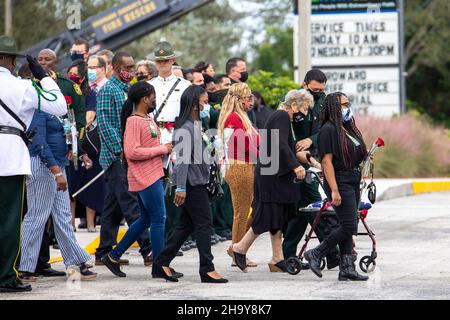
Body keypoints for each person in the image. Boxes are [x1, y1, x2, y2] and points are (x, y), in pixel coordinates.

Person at [0, 35, 67, 293]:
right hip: (10, 157)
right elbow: (60, 107)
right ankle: (5, 276)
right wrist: (44, 76)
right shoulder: (23, 86)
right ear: (13, 60)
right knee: (9, 221)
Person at [153, 86, 228, 284]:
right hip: (192, 184)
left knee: (185, 226)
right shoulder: (186, 127)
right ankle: (207, 269)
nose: (207, 106)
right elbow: (182, 160)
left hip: (198, 181)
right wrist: (180, 187)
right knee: (204, 225)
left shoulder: (196, 125)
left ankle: (161, 263)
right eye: (204, 102)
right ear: (194, 103)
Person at [228, 90, 307, 273]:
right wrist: (296, 167)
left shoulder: (281, 117)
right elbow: (280, 144)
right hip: (272, 176)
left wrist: (310, 160)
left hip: (275, 175)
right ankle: (239, 248)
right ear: (294, 104)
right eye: (303, 108)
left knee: (277, 216)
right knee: (267, 215)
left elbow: (288, 146)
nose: (304, 113)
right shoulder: (281, 116)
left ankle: (277, 258)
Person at [102, 82, 172, 277]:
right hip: (145, 175)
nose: (155, 99)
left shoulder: (147, 118)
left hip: (152, 172)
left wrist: (163, 148)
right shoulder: (134, 121)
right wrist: (162, 149)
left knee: (146, 219)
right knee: (159, 218)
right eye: (153, 96)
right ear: (144, 98)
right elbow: (132, 152)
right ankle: (160, 265)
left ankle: (113, 256)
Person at [18, 110, 97, 282]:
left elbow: (67, 134)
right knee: (37, 217)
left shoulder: (57, 110)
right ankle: (24, 267)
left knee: (63, 217)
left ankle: (76, 261)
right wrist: (55, 172)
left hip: (59, 164)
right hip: (44, 166)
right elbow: (39, 143)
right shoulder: (39, 110)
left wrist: (80, 153)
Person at [95, 52, 152, 266]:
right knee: (131, 203)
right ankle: (147, 249)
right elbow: (106, 124)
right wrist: (122, 151)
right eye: (128, 67)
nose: (131, 70)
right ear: (117, 68)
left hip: (127, 154)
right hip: (117, 156)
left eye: (133, 66)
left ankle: (103, 251)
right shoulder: (107, 90)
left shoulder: (127, 90)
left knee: (113, 206)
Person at [304, 92, 369, 281]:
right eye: (343, 104)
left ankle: (347, 268)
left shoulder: (347, 128)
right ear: (333, 107)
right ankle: (316, 253)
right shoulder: (328, 129)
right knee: (349, 225)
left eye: (348, 104)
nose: (347, 107)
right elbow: (326, 162)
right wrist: (333, 190)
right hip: (339, 181)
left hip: (352, 179)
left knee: (347, 224)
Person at [283, 70, 341, 271]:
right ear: (304, 84)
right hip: (296, 162)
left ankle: (288, 254)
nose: (318, 93)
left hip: (317, 157)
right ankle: (331, 252)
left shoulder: (326, 102)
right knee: (312, 207)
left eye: (321, 90)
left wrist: (312, 140)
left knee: (303, 211)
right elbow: (283, 129)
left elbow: (331, 128)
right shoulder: (293, 100)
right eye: (314, 89)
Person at [147, 41, 191, 254]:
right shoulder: (149, 85)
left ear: (173, 60)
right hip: (155, 135)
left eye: (166, 60)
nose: (162, 64)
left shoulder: (185, 86)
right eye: (159, 61)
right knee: (157, 186)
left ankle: (175, 238)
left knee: (177, 186)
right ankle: (160, 238)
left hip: (177, 135)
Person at [218, 83, 259, 268]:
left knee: (252, 209)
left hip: (245, 167)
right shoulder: (234, 118)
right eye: (248, 97)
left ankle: (236, 248)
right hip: (240, 168)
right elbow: (245, 147)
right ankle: (237, 252)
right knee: (241, 213)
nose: (251, 100)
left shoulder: (241, 117)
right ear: (239, 99)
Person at [67, 60, 105, 233]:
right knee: (71, 184)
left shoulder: (90, 94)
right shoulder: (64, 91)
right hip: (69, 141)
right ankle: (70, 223)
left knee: (91, 185)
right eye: (70, 74)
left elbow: (89, 117)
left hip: (87, 142)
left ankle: (91, 224)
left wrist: (75, 126)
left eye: (75, 74)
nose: (72, 77)